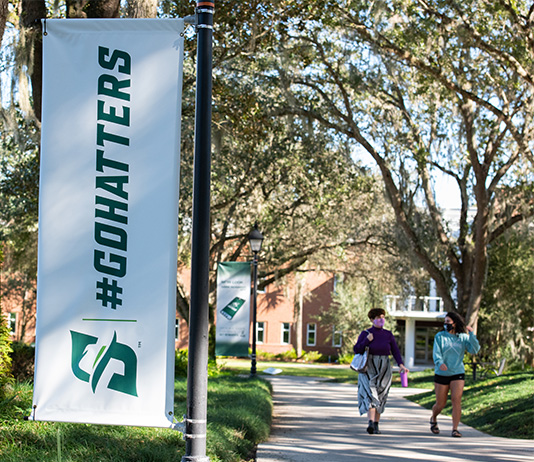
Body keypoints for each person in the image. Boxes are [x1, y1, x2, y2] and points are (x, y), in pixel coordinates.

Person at [353, 308, 409, 434]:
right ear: (372, 320)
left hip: (384, 366)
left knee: (381, 394)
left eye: (382, 317)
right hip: (369, 366)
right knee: (370, 393)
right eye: (378, 317)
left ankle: (376, 424)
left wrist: (401, 364)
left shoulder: (388, 334)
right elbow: (357, 349)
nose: (381, 320)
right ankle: (371, 423)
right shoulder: (366, 333)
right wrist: (367, 340)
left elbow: (395, 351)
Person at [430, 311, 480, 438]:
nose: (446, 324)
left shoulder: (462, 337)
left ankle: (455, 429)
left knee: (456, 400)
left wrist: (472, 335)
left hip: (457, 372)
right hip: (442, 373)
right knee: (440, 404)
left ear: (455, 323)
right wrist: (439, 362)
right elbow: (436, 352)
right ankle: (434, 417)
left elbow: (474, 350)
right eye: (445, 322)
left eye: (448, 322)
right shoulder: (440, 336)